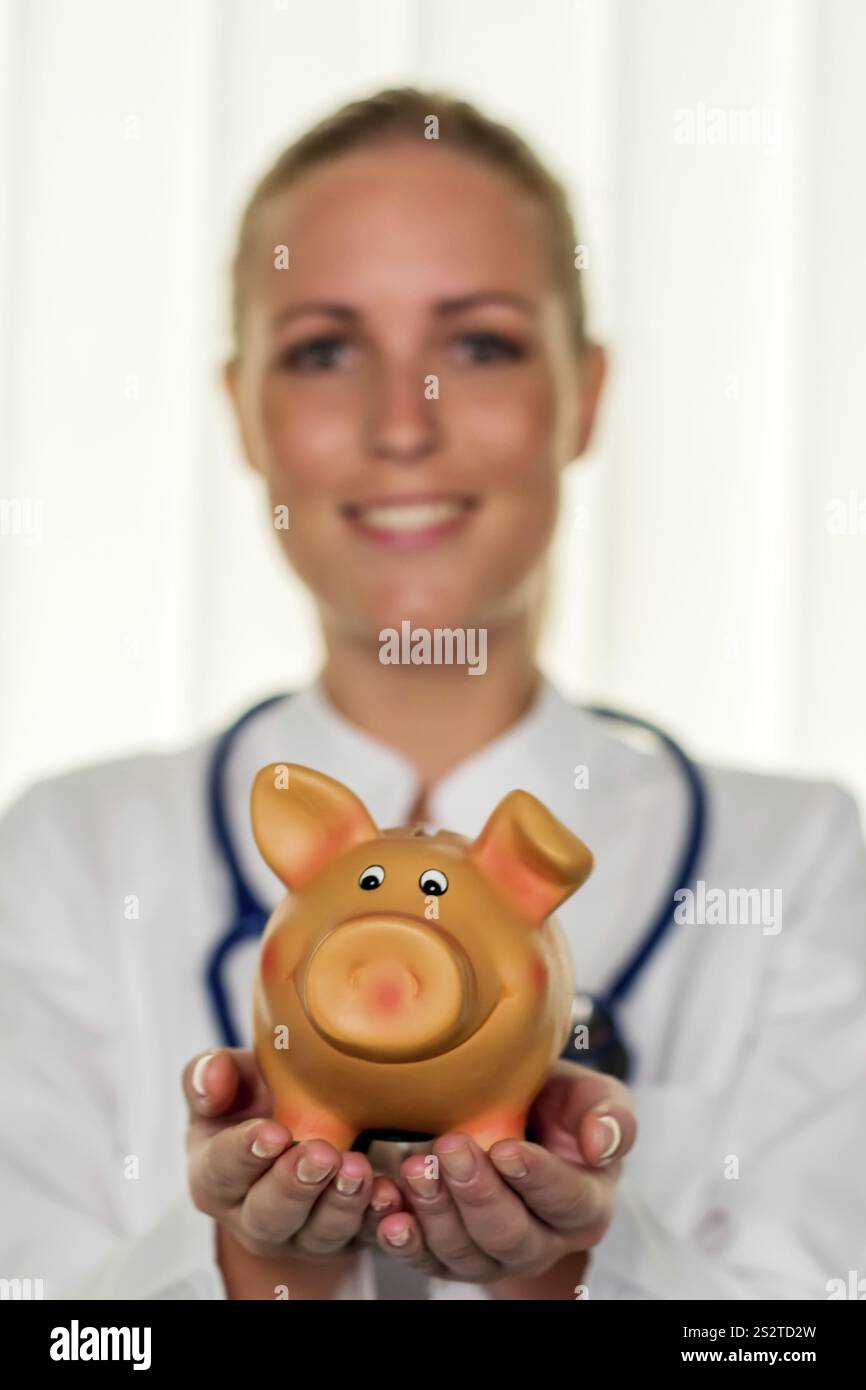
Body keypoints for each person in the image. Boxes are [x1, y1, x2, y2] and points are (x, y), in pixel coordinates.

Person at [1, 87, 865, 1302]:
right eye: (322, 350)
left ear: (586, 392)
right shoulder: (70, 850)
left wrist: (571, 1274)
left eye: (478, 344)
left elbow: (803, 1330)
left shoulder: (802, 857)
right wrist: (248, 1269)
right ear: (243, 412)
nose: (399, 426)